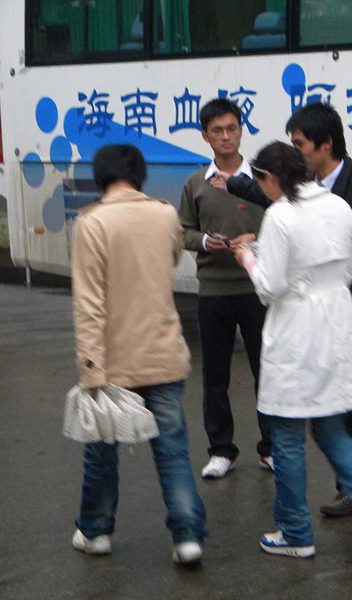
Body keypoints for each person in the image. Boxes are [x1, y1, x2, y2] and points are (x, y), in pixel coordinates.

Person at [226, 102, 352, 519]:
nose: (295, 152)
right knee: (342, 408)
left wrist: (331, 272)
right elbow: (272, 197)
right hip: (329, 313)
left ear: (325, 144)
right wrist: (233, 182)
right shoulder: (305, 191)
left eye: (300, 144)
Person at [71, 144, 206, 565]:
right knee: (173, 452)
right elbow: (171, 260)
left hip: (113, 363)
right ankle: (187, 538)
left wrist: (90, 369)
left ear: (100, 177)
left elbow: (89, 305)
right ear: (139, 175)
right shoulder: (165, 215)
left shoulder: (92, 223)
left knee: (101, 453)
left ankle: (96, 532)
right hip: (164, 354)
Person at [178, 98, 272, 479]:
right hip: (213, 289)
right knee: (215, 375)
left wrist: (256, 242)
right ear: (205, 136)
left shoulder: (261, 180)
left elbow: (283, 223)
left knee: (267, 371)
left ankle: (271, 448)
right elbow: (182, 231)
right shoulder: (196, 183)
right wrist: (205, 242)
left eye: (232, 128)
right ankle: (221, 450)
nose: (226, 136)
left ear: (241, 131)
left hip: (258, 288)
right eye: (217, 131)